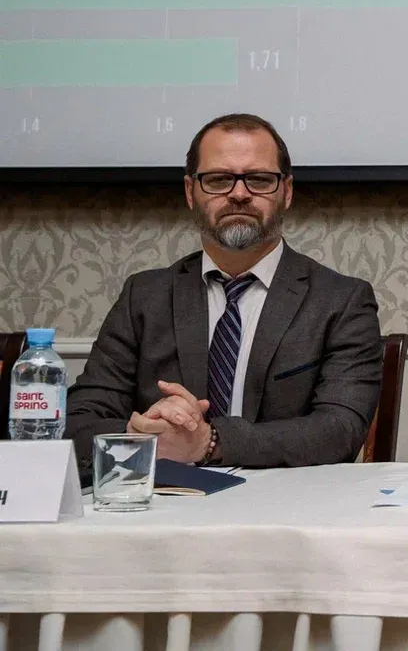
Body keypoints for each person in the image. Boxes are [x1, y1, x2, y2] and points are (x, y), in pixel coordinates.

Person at [66, 113, 383, 480]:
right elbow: (78, 419)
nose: (239, 194)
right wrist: (140, 436)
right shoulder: (145, 296)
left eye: (259, 179)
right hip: (164, 501)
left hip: (285, 502)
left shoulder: (341, 301)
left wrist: (209, 442)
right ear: (190, 192)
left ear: (286, 191)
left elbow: (340, 430)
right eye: (218, 179)